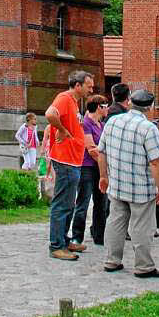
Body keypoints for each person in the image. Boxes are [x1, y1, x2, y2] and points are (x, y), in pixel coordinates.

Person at [97, 88, 159, 278]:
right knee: (142, 227)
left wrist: (103, 176)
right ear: (150, 107)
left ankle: (112, 260)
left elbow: (100, 151)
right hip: (140, 189)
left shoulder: (112, 121)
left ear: (130, 102)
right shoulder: (148, 128)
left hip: (117, 185)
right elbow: (156, 161)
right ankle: (144, 266)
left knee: (115, 223)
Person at [44, 69, 94, 260]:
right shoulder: (64, 98)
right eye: (88, 86)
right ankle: (56, 246)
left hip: (73, 159)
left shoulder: (74, 101)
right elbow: (50, 114)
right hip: (65, 160)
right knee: (62, 204)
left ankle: (63, 241)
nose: (91, 90)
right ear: (78, 85)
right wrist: (62, 130)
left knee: (69, 204)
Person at [69, 95, 108, 247]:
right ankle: (77, 236)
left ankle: (100, 236)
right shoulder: (86, 124)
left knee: (101, 203)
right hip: (87, 167)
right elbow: (92, 149)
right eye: (106, 105)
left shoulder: (101, 125)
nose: (108, 109)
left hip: (99, 168)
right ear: (99, 107)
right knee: (83, 202)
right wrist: (105, 164)